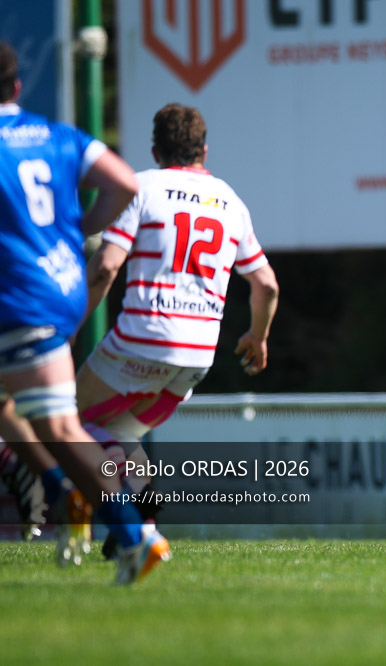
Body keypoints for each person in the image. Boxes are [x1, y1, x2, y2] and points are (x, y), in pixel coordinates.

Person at [74, 103, 279, 555]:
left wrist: (69, 323)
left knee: (70, 420)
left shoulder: (142, 186)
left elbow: (105, 268)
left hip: (143, 337)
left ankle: (131, 524)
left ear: (154, 150)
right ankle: (147, 522)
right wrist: (256, 336)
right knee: (121, 433)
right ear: (204, 150)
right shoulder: (229, 199)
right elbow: (265, 283)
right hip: (197, 354)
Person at [0, 41, 169, 583]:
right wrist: (75, 235)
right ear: (17, 88)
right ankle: (64, 492)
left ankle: (130, 532)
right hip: (62, 286)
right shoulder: (58, 135)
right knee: (24, 411)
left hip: (20, 295)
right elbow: (124, 184)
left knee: (55, 423)